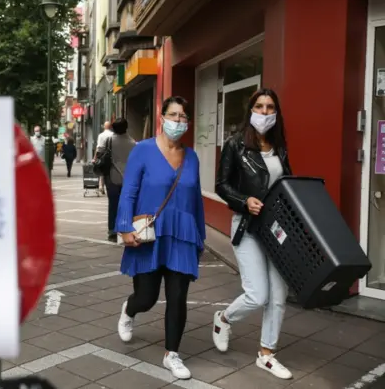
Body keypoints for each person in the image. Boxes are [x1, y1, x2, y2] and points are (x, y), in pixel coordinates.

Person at [115, 96, 205, 380]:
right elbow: (129, 191)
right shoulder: (142, 151)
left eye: (183, 117)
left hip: (181, 234)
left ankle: (172, 354)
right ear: (161, 117)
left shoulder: (192, 157)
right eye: (173, 115)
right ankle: (129, 310)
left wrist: (199, 237)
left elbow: (196, 200)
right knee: (147, 296)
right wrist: (124, 226)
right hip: (149, 235)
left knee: (178, 296)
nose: (178, 121)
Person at [213, 88, 293, 380]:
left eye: (270, 107)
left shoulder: (279, 146)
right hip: (247, 226)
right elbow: (221, 185)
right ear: (250, 110)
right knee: (258, 294)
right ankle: (223, 319)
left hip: (276, 228)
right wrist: (244, 201)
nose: (264, 112)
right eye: (259, 106)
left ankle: (266, 354)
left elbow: (287, 184)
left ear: (276, 112)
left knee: (278, 295)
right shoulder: (235, 144)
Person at [96, 118, 135, 242]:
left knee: (113, 204)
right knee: (127, 204)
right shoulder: (133, 143)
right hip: (128, 178)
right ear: (126, 127)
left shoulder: (109, 140)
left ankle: (112, 230)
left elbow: (100, 153)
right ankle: (126, 228)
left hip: (112, 176)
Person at [95, 121, 113, 194]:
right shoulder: (112, 134)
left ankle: (101, 186)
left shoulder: (100, 135)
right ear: (110, 127)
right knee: (110, 170)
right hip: (110, 154)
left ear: (104, 127)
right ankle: (109, 186)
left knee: (102, 170)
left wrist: (95, 157)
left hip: (101, 153)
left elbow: (98, 147)